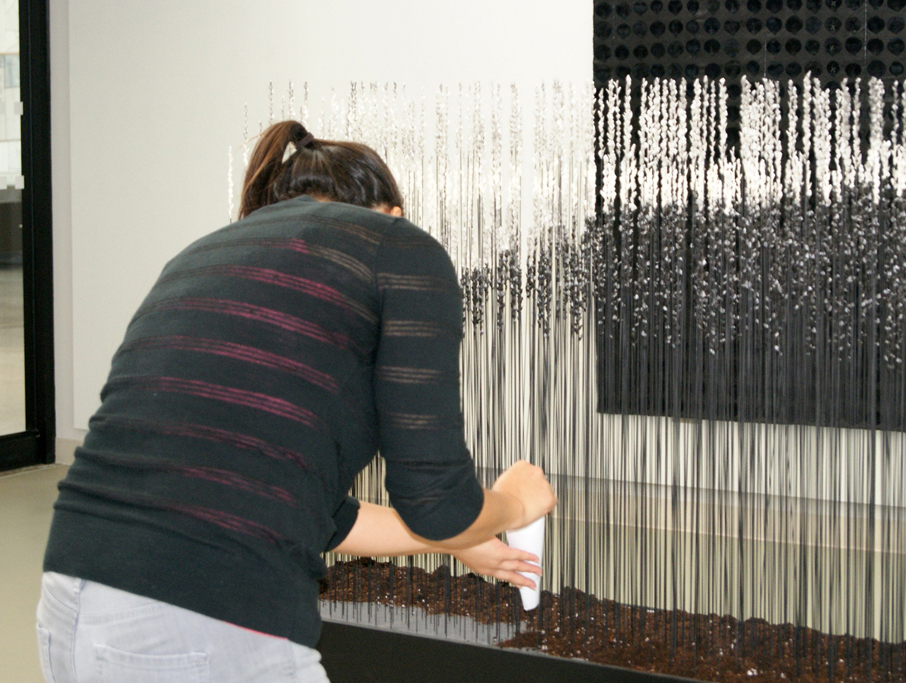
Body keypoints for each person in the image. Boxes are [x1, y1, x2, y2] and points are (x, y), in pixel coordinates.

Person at [36, 120, 557, 683]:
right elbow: (437, 502)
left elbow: (313, 517)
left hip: (72, 600)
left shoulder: (203, 253)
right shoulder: (399, 247)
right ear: (393, 212)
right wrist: (513, 505)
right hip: (208, 615)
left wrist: (463, 542)